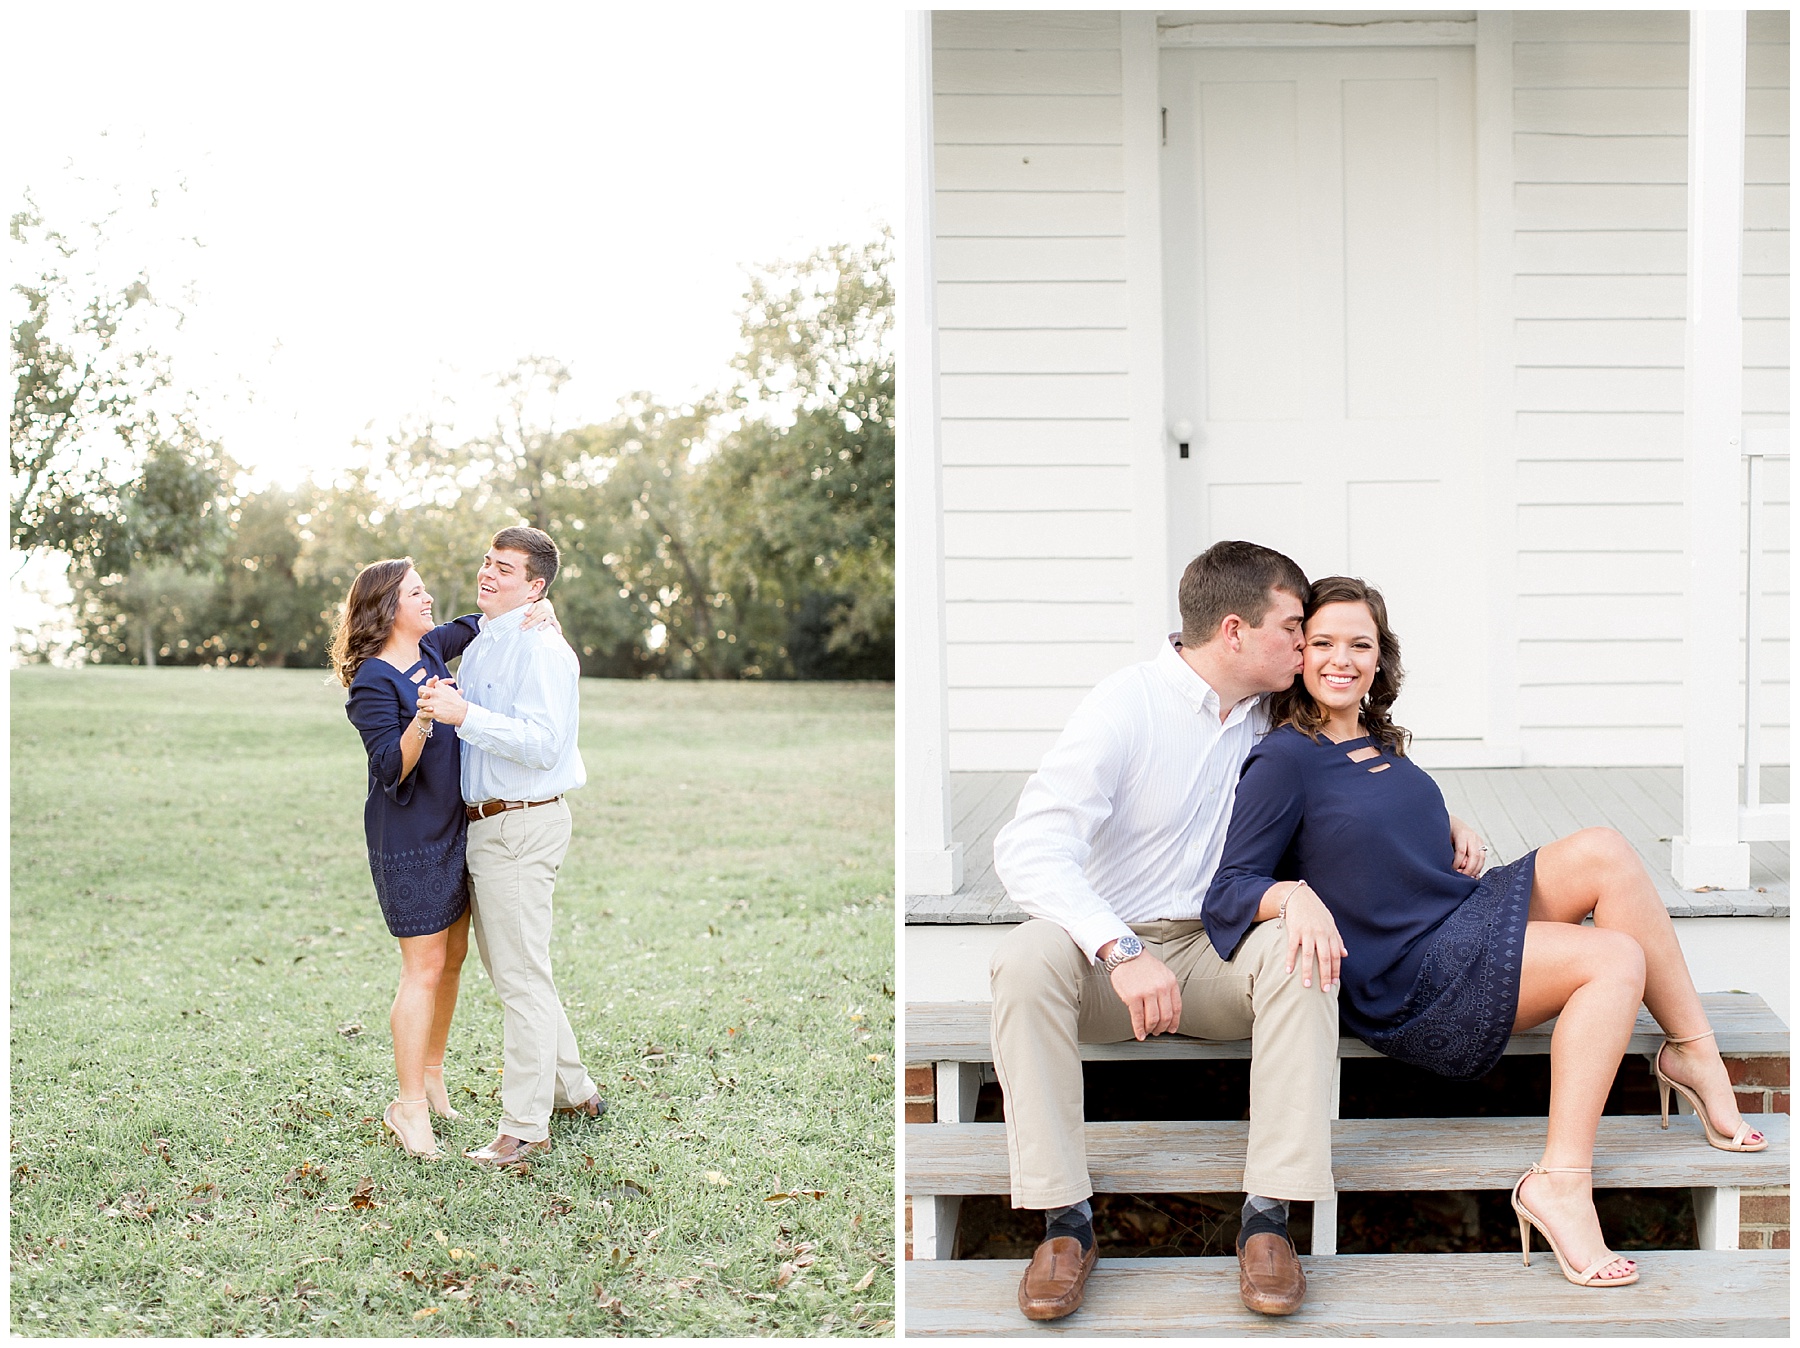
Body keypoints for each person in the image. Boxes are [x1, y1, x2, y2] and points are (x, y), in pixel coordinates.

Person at [1206, 575, 1768, 1291]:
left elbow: (1367, 821)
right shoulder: (1284, 757)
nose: (1340, 659)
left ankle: (1694, 1054)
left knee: (1607, 850)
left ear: (1381, 658)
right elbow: (1229, 886)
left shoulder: (1376, 739)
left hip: (1454, 912)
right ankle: (1560, 1184)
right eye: (1322, 643)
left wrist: (1446, 822)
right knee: (1613, 960)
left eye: (1360, 643)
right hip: (1412, 973)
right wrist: (1290, 897)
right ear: (1297, 653)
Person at [988, 541, 1482, 1320]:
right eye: (1295, 628)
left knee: (1301, 955)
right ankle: (1064, 1225)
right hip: (1111, 957)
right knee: (1022, 960)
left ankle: (1268, 1220)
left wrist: (1441, 817)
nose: (1307, 644)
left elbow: (1353, 769)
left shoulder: (1272, 715)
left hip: (1220, 948)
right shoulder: (1126, 705)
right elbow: (1025, 849)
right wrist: (1117, 948)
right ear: (1234, 631)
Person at [332, 558, 556, 1159]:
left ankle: (432, 1075)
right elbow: (388, 767)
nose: (428, 597)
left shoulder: (432, 646)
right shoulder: (373, 681)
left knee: (453, 958)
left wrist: (540, 609)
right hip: (407, 837)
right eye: (415, 591)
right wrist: (426, 718)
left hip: (452, 824)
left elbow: (485, 621)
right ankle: (407, 1106)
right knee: (423, 966)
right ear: (387, 606)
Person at [416, 525, 605, 1166]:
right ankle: (572, 1088)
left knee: (520, 977)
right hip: (487, 827)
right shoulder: (490, 641)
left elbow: (545, 743)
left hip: (522, 823)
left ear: (537, 586)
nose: (488, 574)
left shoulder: (542, 649)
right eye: (487, 563)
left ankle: (525, 1127)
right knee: (515, 971)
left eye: (506, 568)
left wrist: (462, 715)